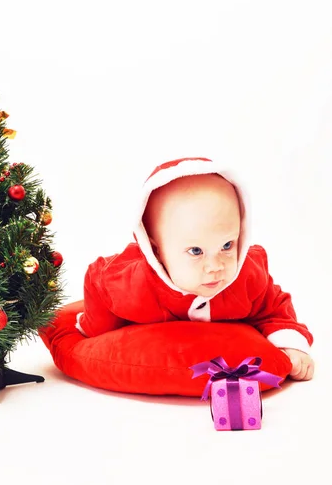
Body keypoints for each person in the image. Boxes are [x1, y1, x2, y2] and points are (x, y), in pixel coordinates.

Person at [75, 157, 314, 381]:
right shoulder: (131, 287)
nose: (215, 267)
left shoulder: (247, 277)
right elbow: (97, 280)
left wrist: (291, 345)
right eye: (196, 251)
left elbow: (274, 308)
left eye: (227, 245)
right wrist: (94, 327)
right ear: (156, 251)